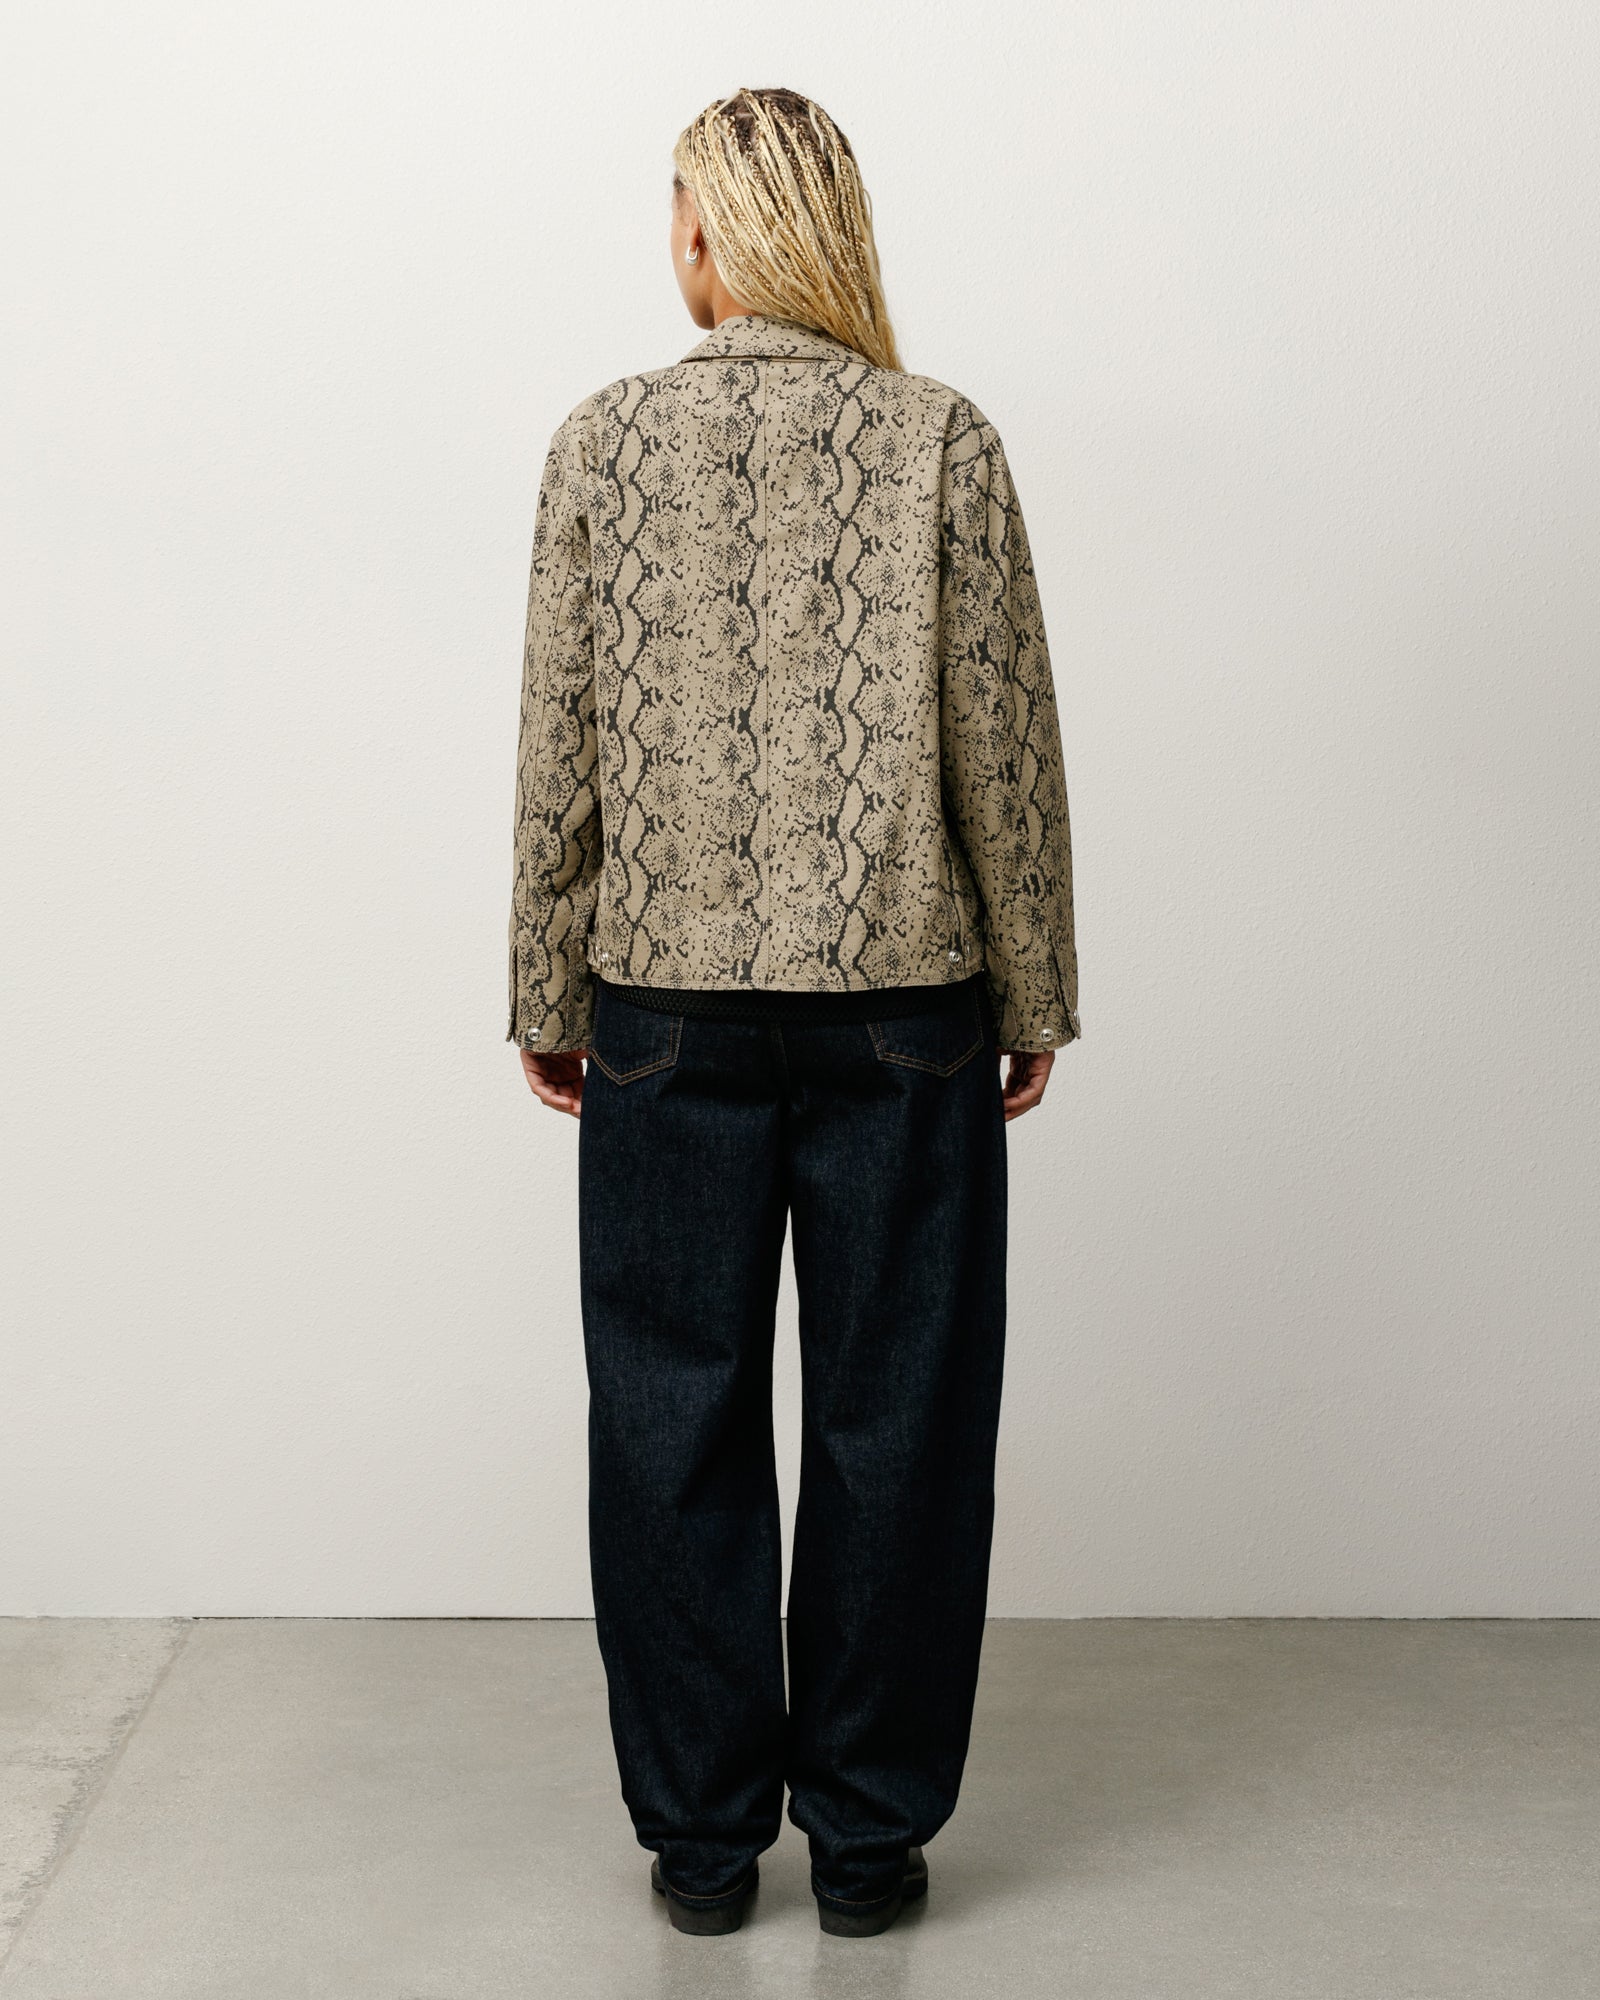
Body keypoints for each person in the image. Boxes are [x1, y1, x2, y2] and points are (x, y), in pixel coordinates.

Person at [507, 85, 1079, 1940]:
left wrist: (546, 983)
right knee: (897, 1419)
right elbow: (1004, 741)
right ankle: (867, 1841)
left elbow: (561, 747)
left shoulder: (601, 442)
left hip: (662, 1008)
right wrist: (1036, 988)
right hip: (906, 1009)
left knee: (665, 1419)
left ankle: (698, 1844)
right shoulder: (941, 440)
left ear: (705, 234)